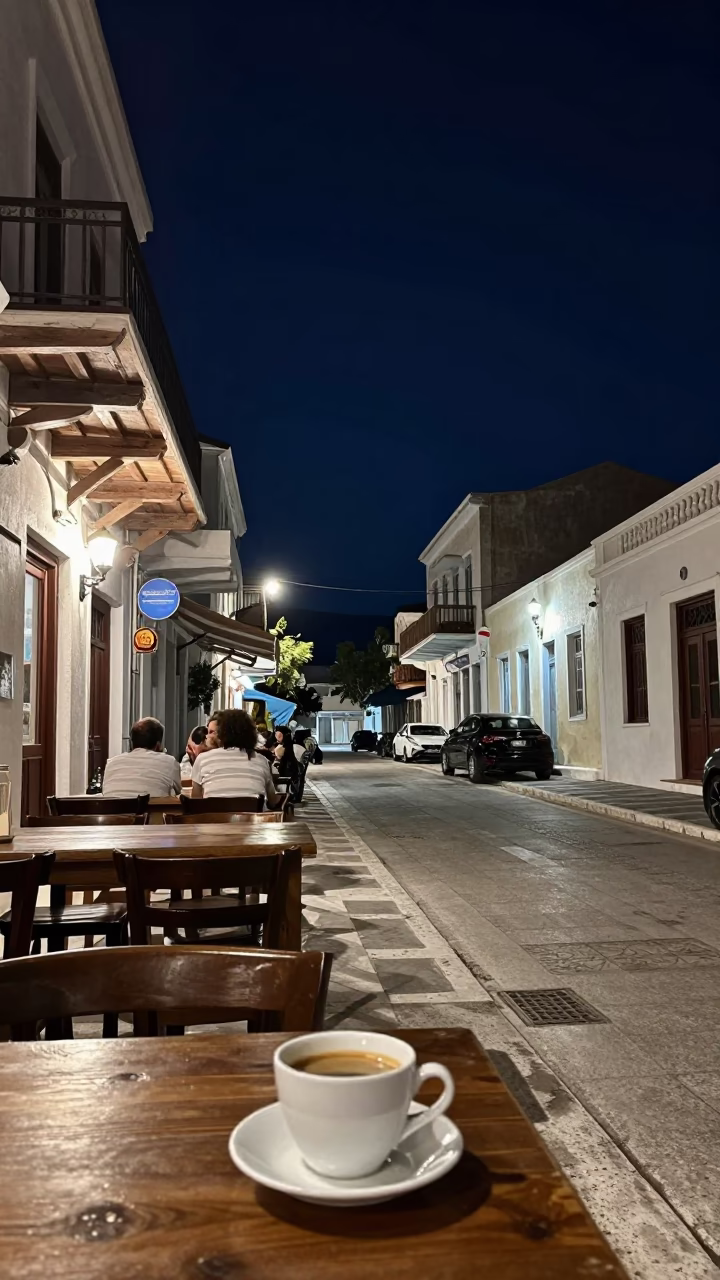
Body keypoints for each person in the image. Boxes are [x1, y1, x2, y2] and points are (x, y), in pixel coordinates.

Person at [191, 708, 281, 806]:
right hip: (253, 819)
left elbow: (195, 802)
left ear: (221, 733)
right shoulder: (261, 761)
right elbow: (273, 801)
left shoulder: (202, 759)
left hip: (215, 819)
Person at [103, 717, 181, 798]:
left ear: (131, 743)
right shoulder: (169, 762)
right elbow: (178, 791)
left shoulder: (111, 763)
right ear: (158, 746)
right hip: (150, 810)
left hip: (112, 809)